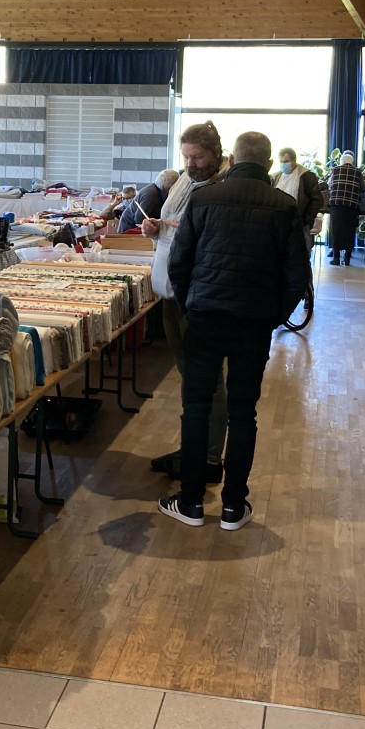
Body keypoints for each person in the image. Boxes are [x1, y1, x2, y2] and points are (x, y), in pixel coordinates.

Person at [159, 131, 310, 531]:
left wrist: (191, 303)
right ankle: (233, 506)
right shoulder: (284, 206)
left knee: (196, 408)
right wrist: (273, 316)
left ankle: (190, 502)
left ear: (232, 159)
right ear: (269, 164)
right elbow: (297, 275)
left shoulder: (204, 199)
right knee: (243, 412)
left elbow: (179, 261)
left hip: (204, 318)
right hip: (253, 323)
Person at [141, 122, 228, 483]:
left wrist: (180, 233)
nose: (191, 164)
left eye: (199, 157)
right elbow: (171, 229)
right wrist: (155, 229)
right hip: (172, 292)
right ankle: (193, 448)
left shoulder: (220, 189)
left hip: (197, 296)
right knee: (191, 377)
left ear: (215, 155)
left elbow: (214, 243)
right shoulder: (184, 182)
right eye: (187, 156)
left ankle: (208, 459)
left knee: (206, 379)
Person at [272, 148, 324, 250]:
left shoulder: (307, 176)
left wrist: (306, 220)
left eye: (286, 161)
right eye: (281, 161)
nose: (283, 164)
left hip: (299, 224)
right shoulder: (276, 177)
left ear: (294, 160)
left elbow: (317, 200)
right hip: (279, 224)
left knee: (301, 253)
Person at [327, 151, 365, 266]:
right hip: (352, 206)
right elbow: (363, 189)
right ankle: (347, 259)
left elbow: (329, 185)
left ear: (341, 161)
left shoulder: (335, 170)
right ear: (352, 161)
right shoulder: (358, 172)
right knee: (349, 231)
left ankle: (336, 259)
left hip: (336, 205)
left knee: (336, 231)